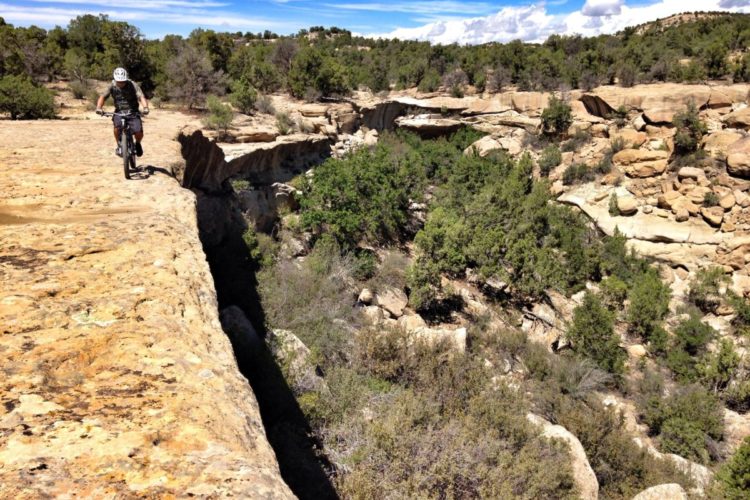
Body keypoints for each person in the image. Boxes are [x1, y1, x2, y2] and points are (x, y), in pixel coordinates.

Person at [96, 67, 149, 157]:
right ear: (115, 80)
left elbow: (141, 97)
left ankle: (138, 143)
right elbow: (103, 97)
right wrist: (99, 108)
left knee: (138, 131)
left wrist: (145, 108)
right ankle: (119, 145)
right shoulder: (112, 86)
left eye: (123, 81)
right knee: (117, 128)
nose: (121, 84)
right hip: (119, 111)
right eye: (119, 82)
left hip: (133, 111)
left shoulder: (132, 85)